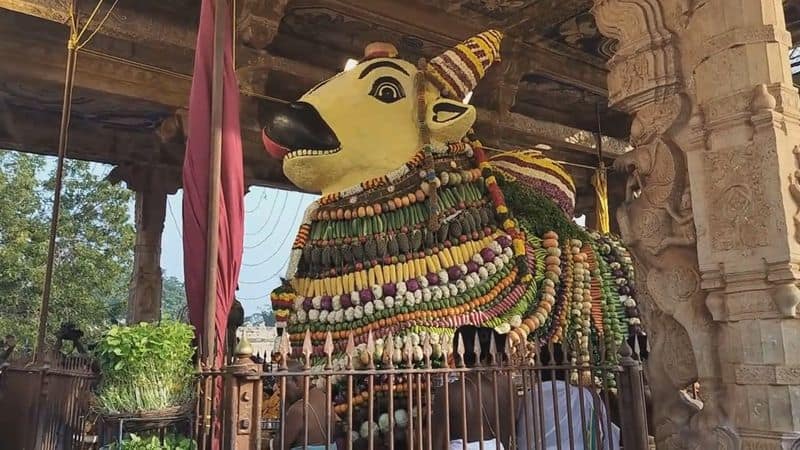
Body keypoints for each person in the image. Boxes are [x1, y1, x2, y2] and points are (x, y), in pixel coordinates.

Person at [516, 344, 620, 450]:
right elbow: (604, 434)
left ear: (538, 369)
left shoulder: (528, 398)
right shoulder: (586, 396)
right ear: (569, 368)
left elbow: (521, 435)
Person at [431, 326, 513, 450]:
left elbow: (437, 442)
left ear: (457, 352)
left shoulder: (447, 392)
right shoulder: (501, 387)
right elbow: (506, 434)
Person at [277, 360, 340, 450]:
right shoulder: (323, 397)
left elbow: (279, 445)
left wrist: (284, 405)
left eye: (282, 386)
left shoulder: (298, 409)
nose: (280, 392)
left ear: (296, 382)